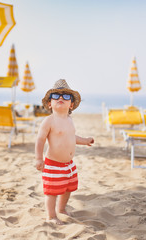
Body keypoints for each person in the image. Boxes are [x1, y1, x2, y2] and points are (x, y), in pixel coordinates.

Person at [35, 79, 94, 225]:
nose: (60, 98)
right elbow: (40, 139)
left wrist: (85, 140)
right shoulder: (49, 121)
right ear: (50, 103)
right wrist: (38, 158)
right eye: (56, 96)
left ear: (71, 104)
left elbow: (71, 137)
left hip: (69, 164)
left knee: (68, 188)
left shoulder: (69, 120)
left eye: (66, 96)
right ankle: (51, 216)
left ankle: (61, 209)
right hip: (53, 164)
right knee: (52, 192)